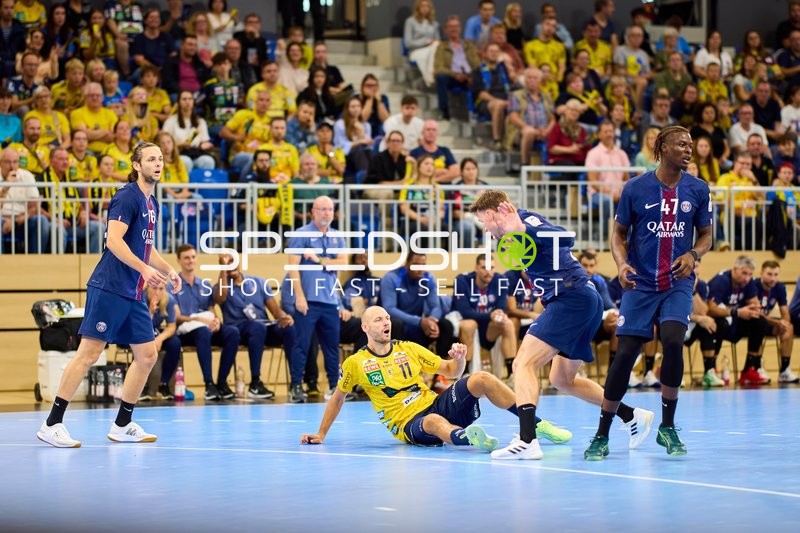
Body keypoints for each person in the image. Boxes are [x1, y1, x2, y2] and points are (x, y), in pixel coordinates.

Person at [469, 190, 654, 460]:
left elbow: (566, 238)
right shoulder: (511, 237)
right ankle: (631, 415)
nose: (484, 228)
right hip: (580, 300)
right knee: (561, 379)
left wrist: (521, 228)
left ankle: (527, 440)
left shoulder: (526, 222)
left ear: (493, 213)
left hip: (572, 298)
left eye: (484, 221)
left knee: (523, 364)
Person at [36, 141, 182, 447]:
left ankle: (122, 424)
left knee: (147, 355)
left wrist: (169, 270)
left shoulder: (151, 203)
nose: (158, 163)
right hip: (110, 288)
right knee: (89, 353)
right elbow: (114, 241)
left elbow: (146, 246)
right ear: (136, 165)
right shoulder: (126, 197)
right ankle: (52, 424)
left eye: (160, 159)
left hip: (133, 292)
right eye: (151, 159)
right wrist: (144, 269)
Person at [583, 125, 713, 459]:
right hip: (640, 283)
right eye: (682, 144)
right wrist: (622, 264)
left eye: (691, 145)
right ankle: (601, 434)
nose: (689, 150)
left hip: (677, 283)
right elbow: (618, 234)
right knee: (625, 354)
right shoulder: (636, 188)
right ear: (662, 148)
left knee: (672, 340)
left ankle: (667, 427)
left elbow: (706, 235)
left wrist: (693, 254)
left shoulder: (698, 189)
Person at [300, 306, 572, 449]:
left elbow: (452, 372)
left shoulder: (408, 348)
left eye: (387, 318)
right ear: (364, 327)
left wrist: (459, 358)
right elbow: (337, 399)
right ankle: (468, 438)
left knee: (482, 378)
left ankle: (536, 424)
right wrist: (321, 434)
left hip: (435, 403)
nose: (386, 323)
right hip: (409, 424)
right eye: (379, 320)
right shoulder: (356, 363)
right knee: (432, 421)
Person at [213, 254, 302, 400]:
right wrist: (223, 269)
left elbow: (274, 310)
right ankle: (255, 382)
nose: (231, 265)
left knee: (289, 328)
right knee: (257, 327)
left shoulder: (258, 282)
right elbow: (219, 298)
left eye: (232, 261)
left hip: (263, 327)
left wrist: (284, 317)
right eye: (226, 263)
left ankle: (296, 383)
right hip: (239, 329)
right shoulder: (221, 286)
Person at [286, 196, 346, 403]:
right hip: (308, 300)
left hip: (330, 301)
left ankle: (333, 386)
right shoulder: (301, 235)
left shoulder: (338, 236)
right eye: (322, 209)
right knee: (301, 345)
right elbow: (293, 266)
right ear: (313, 211)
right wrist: (299, 296)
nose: (326, 213)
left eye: (330, 209)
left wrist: (317, 259)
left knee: (331, 346)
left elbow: (343, 263)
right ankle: (295, 386)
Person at [173, 243, 241, 401]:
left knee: (232, 333)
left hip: (205, 328)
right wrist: (197, 319)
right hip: (185, 331)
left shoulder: (204, 284)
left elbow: (211, 307)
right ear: (178, 261)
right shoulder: (173, 285)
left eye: (193, 257)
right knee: (203, 332)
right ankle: (209, 384)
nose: (190, 260)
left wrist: (216, 320)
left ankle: (222, 382)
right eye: (186, 258)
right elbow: (176, 317)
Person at [706, 256, 772, 386]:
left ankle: (749, 369)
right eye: (744, 273)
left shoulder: (748, 283)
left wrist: (753, 309)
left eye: (750, 274)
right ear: (735, 269)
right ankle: (711, 368)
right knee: (719, 323)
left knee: (759, 322)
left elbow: (755, 305)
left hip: (736, 322)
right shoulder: (721, 281)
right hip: (719, 322)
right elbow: (710, 309)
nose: (747, 278)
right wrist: (737, 312)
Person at [754, 260, 799, 383]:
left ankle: (784, 370)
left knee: (789, 327)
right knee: (759, 325)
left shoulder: (779, 287)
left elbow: (785, 312)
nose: (773, 278)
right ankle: (757, 367)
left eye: (776, 274)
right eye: (769, 274)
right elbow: (756, 313)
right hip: (752, 322)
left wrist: (784, 323)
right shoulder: (753, 286)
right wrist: (776, 322)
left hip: (769, 323)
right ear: (761, 273)